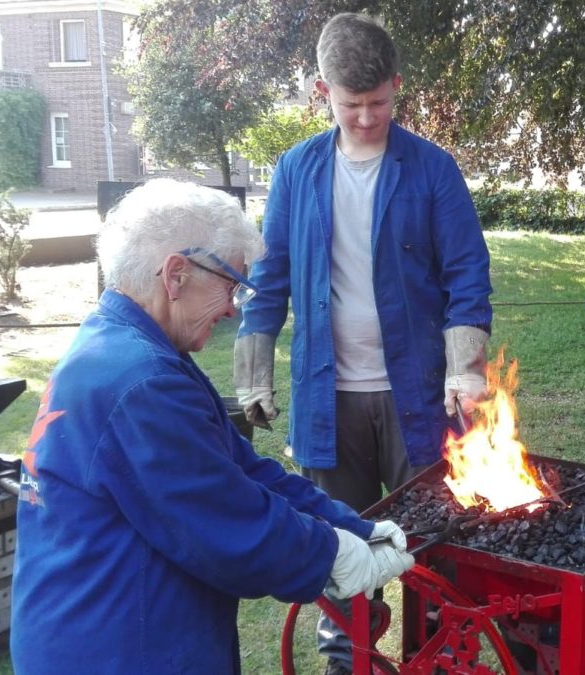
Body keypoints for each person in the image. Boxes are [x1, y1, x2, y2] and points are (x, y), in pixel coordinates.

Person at [9, 179, 413, 674]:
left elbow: (244, 471)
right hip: (118, 645)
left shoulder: (132, 348)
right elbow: (226, 522)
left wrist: (357, 526)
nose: (230, 309)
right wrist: (329, 553)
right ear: (175, 274)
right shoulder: (142, 382)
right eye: (230, 286)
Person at [233, 13, 493, 674]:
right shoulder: (296, 171)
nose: (368, 118)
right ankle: (348, 664)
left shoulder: (433, 169)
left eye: (379, 103)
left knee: (435, 546)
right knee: (340, 551)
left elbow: (468, 273)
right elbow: (269, 278)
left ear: (396, 88)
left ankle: (438, 659)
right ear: (323, 92)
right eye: (353, 105)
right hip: (329, 401)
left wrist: (465, 368)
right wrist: (254, 369)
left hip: (416, 399)